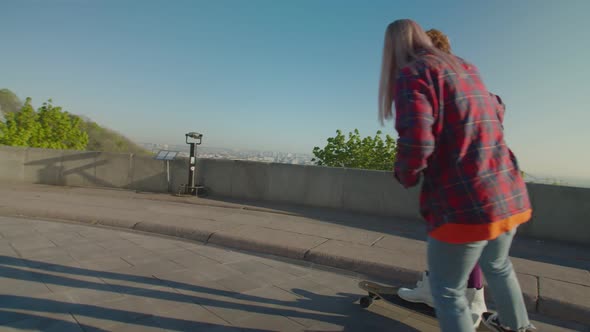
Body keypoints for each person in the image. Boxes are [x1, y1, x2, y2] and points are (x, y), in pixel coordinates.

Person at [378, 19, 534, 332]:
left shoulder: (413, 74)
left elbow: (417, 141)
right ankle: (518, 327)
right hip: (508, 191)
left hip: (465, 202)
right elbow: (497, 105)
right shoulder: (466, 67)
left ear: (393, 48)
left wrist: (406, 174)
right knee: (499, 265)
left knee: (447, 291)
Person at [396, 28, 488, 329]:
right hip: (469, 171)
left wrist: (408, 169)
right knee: (454, 238)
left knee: (458, 237)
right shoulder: (462, 74)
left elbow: (421, 132)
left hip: (460, 176)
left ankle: (470, 298)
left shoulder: (434, 77)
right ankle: (445, 289)